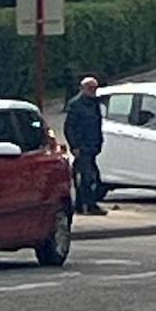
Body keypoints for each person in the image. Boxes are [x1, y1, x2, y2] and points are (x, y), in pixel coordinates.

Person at [64, 75, 106, 216]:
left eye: (95, 88)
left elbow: (97, 124)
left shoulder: (94, 104)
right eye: (90, 88)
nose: (93, 91)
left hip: (92, 146)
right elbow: (69, 127)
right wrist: (74, 146)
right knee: (88, 177)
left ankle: (81, 205)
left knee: (88, 176)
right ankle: (88, 205)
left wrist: (100, 141)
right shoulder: (76, 105)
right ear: (83, 88)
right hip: (82, 147)